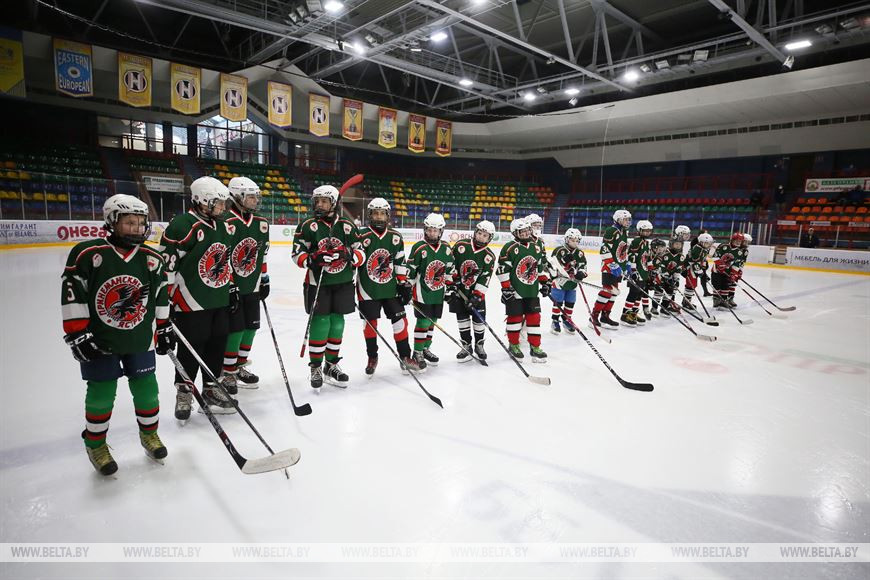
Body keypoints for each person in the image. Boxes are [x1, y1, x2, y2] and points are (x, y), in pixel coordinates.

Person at [62, 194, 173, 475]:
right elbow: (73, 294)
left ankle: (150, 434)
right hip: (100, 340)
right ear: (112, 222)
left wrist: (164, 327)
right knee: (101, 394)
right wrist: (77, 333)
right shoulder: (87, 254)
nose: (136, 228)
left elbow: (160, 295)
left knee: (148, 391)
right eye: (129, 223)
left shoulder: (152, 258)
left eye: (140, 223)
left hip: (139, 338)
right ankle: (96, 444)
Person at [157, 176, 237, 419]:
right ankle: (184, 392)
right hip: (190, 301)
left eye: (223, 203)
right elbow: (167, 268)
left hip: (218, 298)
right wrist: (166, 302)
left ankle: (211, 389)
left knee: (217, 345)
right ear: (202, 201)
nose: (222, 207)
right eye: (218, 203)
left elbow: (225, 261)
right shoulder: (182, 225)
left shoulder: (223, 226)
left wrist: (231, 287)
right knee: (191, 349)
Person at [292, 184, 365, 389]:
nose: (320, 205)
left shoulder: (347, 225)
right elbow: (297, 254)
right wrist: (312, 259)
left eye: (324, 201)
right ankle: (315, 366)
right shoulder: (307, 226)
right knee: (321, 322)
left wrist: (349, 255)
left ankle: (331, 365)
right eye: (317, 201)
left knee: (337, 322)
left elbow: (361, 253)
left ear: (334, 203)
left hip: (343, 282)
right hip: (318, 283)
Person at [356, 198, 421, 376]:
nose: (379, 217)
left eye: (382, 213)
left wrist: (403, 283)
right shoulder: (361, 236)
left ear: (387, 216)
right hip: (368, 289)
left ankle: (405, 357)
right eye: (375, 213)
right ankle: (372, 357)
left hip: (391, 289)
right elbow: (356, 261)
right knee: (370, 324)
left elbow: (399, 262)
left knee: (400, 321)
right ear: (370, 215)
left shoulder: (395, 237)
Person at [222, 177, 270, 391]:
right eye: (250, 197)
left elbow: (263, 254)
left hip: (253, 285)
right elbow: (221, 258)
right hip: (232, 287)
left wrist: (265, 278)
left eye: (256, 197)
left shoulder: (261, 223)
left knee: (251, 327)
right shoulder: (226, 222)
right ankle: (228, 372)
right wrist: (230, 284)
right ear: (236, 197)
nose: (255, 201)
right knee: (236, 330)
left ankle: (240, 365)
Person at [497, 217, 550, 362]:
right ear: (515, 233)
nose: (526, 233)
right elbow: (502, 270)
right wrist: (506, 288)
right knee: (515, 319)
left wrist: (545, 282)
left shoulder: (536, 246)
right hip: (515, 290)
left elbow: (539, 268)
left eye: (527, 230)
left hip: (531, 290)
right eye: (522, 232)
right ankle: (514, 345)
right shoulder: (509, 247)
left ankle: (535, 347)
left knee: (534, 318)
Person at [406, 213, 455, 369]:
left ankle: (426, 348)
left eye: (435, 230)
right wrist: (406, 288)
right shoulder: (419, 247)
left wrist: (450, 288)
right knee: (423, 322)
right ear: (425, 230)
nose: (432, 233)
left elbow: (449, 270)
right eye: (429, 230)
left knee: (433, 321)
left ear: (441, 231)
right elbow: (411, 271)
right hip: (422, 293)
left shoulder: (446, 248)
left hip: (438, 293)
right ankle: (417, 351)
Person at [449, 220, 496, 361]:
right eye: (480, 233)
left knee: (479, 321)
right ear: (475, 232)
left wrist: (477, 296)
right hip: (460, 292)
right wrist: (454, 280)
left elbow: (485, 277)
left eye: (485, 235)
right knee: (462, 320)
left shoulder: (489, 256)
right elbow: (451, 263)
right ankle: (466, 345)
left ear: (489, 238)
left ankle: (479, 345)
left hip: (477, 295)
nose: (481, 237)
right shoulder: (461, 245)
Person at [591, 209, 632, 329]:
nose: (627, 221)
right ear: (617, 219)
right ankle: (593, 316)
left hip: (619, 268)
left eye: (628, 219)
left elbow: (623, 250)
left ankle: (605, 317)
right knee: (607, 292)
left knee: (614, 293)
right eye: (625, 219)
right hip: (609, 268)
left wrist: (626, 264)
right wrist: (612, 265)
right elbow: (604, 250)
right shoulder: (611, 231)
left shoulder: (624, 232)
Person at [548, 228, 587, 334]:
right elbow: (552, 265)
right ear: (566, 239)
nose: (574, 242)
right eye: (572, 240)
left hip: (572, 283)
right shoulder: (559, 250)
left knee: (570, 302)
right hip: (559, 282)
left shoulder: (579, 253)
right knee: (558, 302)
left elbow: (583, 266)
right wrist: (561, 270)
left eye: (576, 240)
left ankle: (567, 320)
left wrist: (581, 273)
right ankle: (555, 321)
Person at [621, 220, 653, 326]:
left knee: (639, 294)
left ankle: (633, 313)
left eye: (649, 230)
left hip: (643, 272)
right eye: (645, 230)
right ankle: (625, 315)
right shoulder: (636, 241)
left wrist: (651, 269)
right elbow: (631, 256)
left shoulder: (646, 242)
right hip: (636, 272)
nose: (647, 232)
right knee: (633, 293)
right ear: (639, 230)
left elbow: (647, 257)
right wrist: (633, 271)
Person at [651, 236, 684, 315]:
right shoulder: (665, 254)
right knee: (658, 292)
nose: (678, 246)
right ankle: (654, 308)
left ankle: (664, 308)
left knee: (669, 293)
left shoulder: (681, 256)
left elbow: (679, 268)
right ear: (671, 244)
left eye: (680, 244)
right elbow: (661, 265)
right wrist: (665, 275)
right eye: (676, 244)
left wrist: (676, 278)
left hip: (671, 278)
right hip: (660, 276)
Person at [712, 232, 745, 309]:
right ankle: (716, 300)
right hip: (716, 271)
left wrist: (734, 274)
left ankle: (724, 301)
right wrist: (719, 265)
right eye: (737, 240)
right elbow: (715, 256)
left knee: (725, 286)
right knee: (717, 285)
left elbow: (736, 265)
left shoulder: (739, 252)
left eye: (740, 241)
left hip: (727, 272)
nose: (738, 242)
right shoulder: (723, 246)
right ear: (732, 239)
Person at [681, 232, 713, 310]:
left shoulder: (703, 248)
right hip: (689, 267)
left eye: (709, 243)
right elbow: (694, 262)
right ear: (701, 242)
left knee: (692, 285)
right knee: (691, 285)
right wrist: (701, 273)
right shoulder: (697, 249)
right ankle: (686, 302)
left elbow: (703, 260)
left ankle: (686, 301)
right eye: (707, 243)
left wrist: (703, 270)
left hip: (694, 267)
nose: (709, 244)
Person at [690, 229, 713, 297]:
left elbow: (705, 254)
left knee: (703, 277)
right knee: (694, 277)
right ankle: (691, 290)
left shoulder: (707, 243)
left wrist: (705, 264)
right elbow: (694, 255)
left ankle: (705, 291)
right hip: (695, 263)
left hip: (702, 261)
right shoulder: (695, 242)